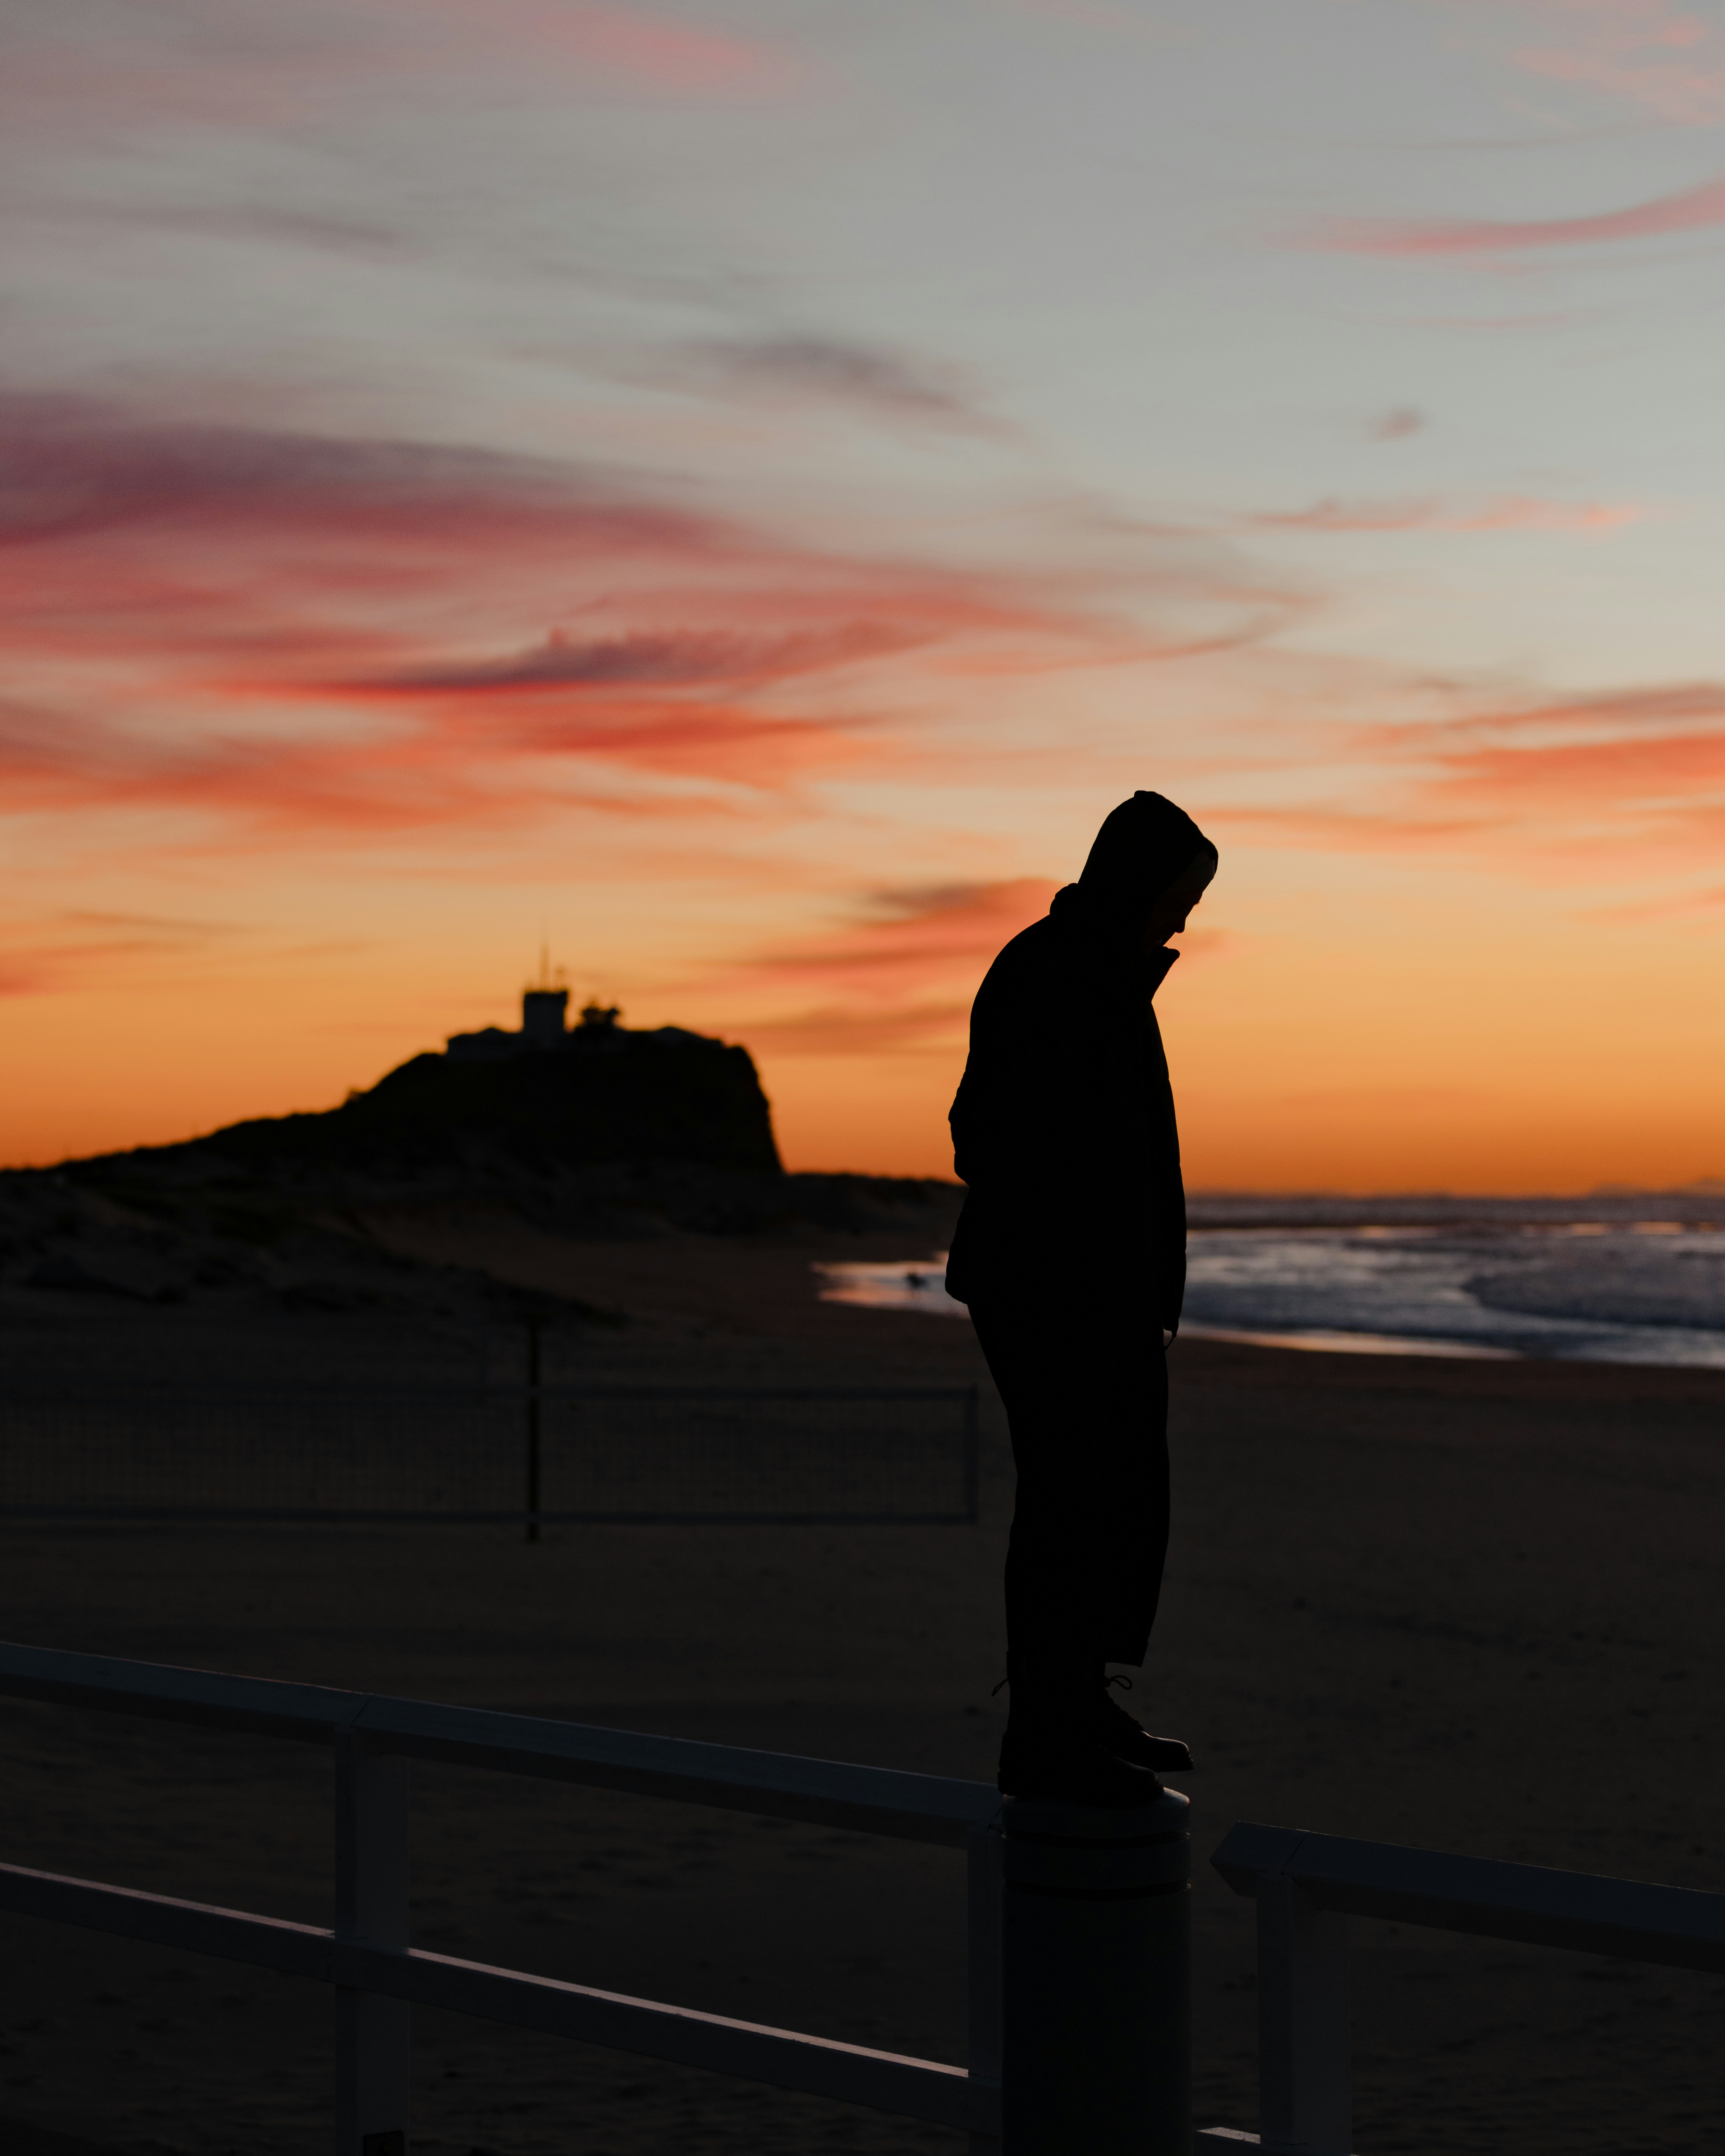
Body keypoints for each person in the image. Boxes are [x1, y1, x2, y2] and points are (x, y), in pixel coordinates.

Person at [945, 792, 1217, 1805]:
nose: (1185, 921)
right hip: (1053, 1289)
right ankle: (1048, 1729)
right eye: (1181, 897)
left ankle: (1076, 1704)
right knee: (1072, 1497)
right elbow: (984, 1133)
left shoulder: (1096, 973)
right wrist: (1084, 1239)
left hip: (1091, 1287)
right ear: (1139, 883)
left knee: (1106, 1495)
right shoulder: (1052, 973)